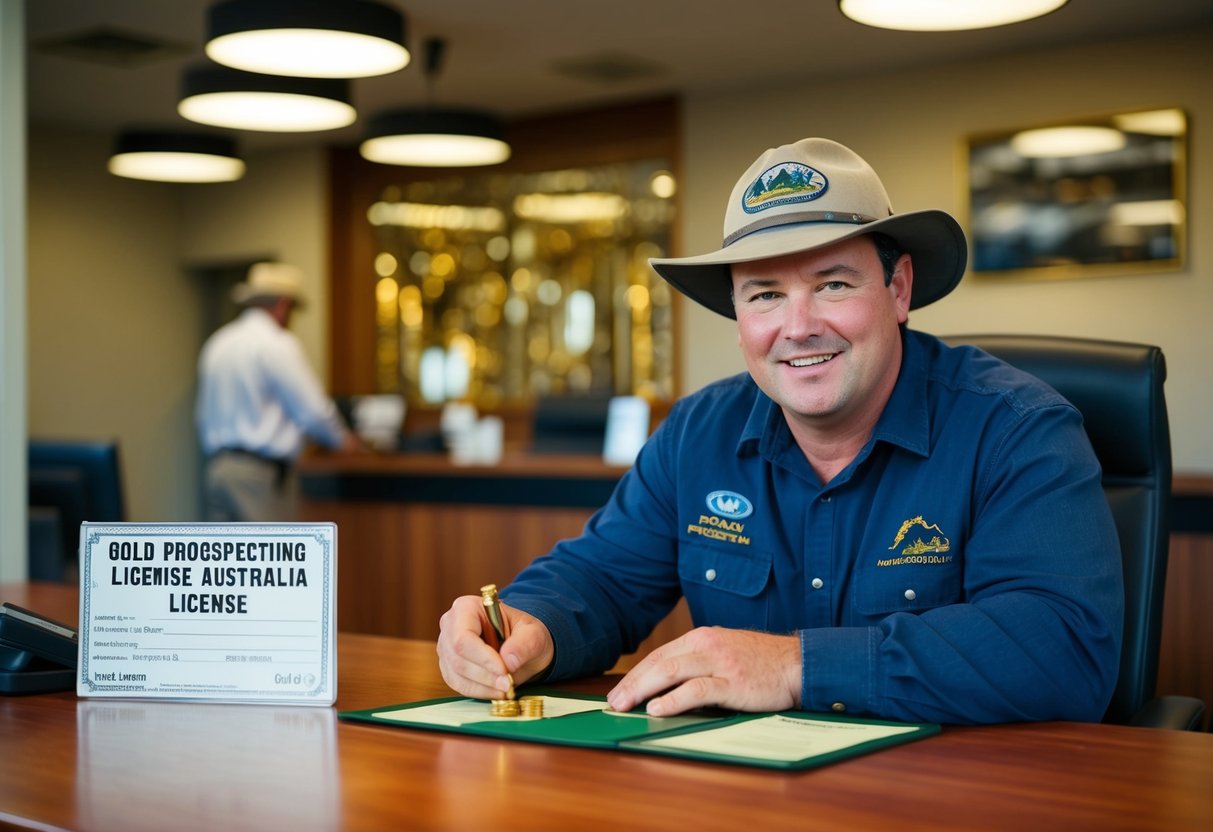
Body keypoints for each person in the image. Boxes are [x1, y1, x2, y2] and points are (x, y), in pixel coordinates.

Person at [436, 138, 1123, 725]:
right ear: (738, 315)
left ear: (898, 289)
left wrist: (796, 666)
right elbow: (602, 578)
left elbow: (1062, 647)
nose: (797, 327)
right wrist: (533, 628)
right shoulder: (697, 432)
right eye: (764, 294)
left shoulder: (1017, 428)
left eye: (831, 284)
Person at [197, 261, 360, 522]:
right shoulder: (277, 344)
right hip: (259, 477)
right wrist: (343, 440)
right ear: (283, 305)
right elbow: (313, 410)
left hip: (217, 470)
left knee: (224, 562)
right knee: (268, 562)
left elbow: (203, 415)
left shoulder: (218, 343)